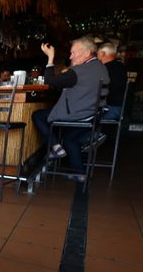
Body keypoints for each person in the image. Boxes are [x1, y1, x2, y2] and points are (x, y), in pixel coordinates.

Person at [31, 37, 109, 182]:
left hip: (79, 114)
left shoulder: (78, 71)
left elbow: (50, 81)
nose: (70, 57)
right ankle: (79, 173)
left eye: (73, 53)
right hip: (93, 114)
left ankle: (55, 147)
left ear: (86, 53)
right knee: (70, 139)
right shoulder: (100, 67)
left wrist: (50, 58)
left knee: (38, 116)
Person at [97, 43, 127, 121]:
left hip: (109, 109)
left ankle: (96, 133)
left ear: (102, 53)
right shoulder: (122, 67)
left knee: (81, 115)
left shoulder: (103, 69)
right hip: (121, 109)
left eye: (97, 54)